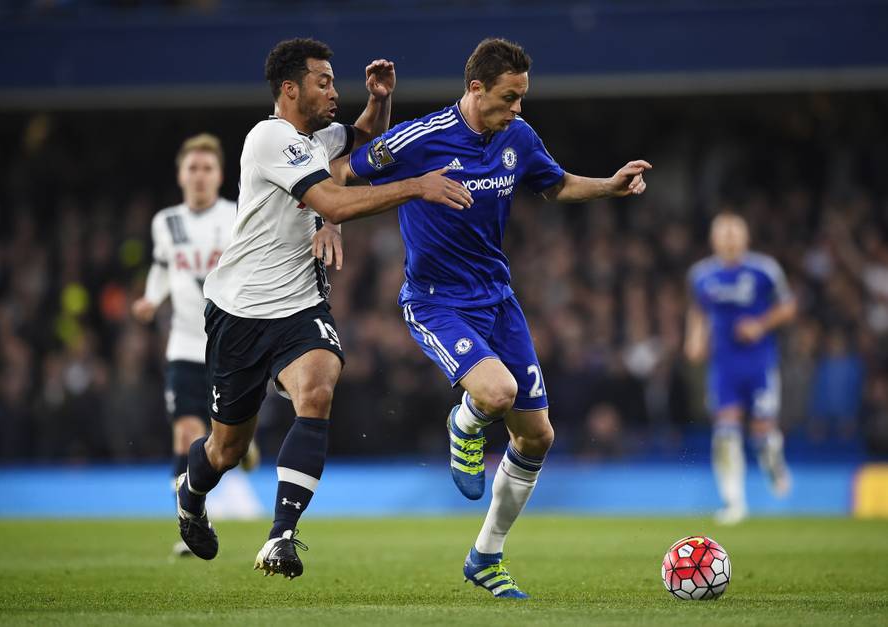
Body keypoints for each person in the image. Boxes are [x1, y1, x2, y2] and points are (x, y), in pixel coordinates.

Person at [341, 37, 651, 598]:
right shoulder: (423, 138)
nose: (518, 109)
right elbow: (345, 173)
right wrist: (332, 218)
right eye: (510, 98)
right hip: (436, 300)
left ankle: (486, 555)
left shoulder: (518, 137)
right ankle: (464, 424)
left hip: (497, 298)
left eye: (523, 98)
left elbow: (554, 185)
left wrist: (609, 185)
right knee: (497, 392)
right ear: (476, 88)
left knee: (538, 436)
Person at [174, 38, 472, 579]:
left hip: (299, 307)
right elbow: (332, 198)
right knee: (226, 448)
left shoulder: (318, 136)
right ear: (289, 89)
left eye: (335, 81)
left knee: (317, 390)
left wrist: (380, 102)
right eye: (323, 82)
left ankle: (280, 537)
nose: (335, 90)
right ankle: (190, 495)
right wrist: (417, 187)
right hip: (240, 310)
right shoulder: (269, 137)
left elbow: (358, 145)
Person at [131, 133, 259, 557]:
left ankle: (240, 442)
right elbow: (163, 268)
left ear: (220, 175)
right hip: (185, 344)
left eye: (207, 168)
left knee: (225, 440)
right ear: (181, 174)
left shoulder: (237, 215)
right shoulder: (165, 222)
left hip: (228, 342)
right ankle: (190, 524)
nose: (200, 176)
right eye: (193, 168)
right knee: (185, 432)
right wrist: (152, 298)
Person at [685, 211, 797, 525]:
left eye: (735, 232)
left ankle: (774, 463)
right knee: (725, 430)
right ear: (713, 238)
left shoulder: (764, 270)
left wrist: (760, 325)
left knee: (762, 429)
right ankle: (733, 502)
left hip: (759, 362)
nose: (730, 238)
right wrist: (694, 339)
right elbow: (698, 311)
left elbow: (788, 306)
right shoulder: (702, 275)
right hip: (724, 365)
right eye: (724, 232)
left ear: (746, 237)